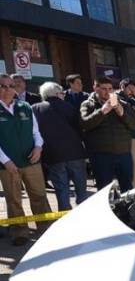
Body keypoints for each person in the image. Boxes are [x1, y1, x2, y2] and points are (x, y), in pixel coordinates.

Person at [0, 73, 52, 246]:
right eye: (3, 86)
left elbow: (36, 133)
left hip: (31, 162)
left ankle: (45, 227)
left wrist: (38, 147)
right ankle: (19, 231)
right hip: (8, 165)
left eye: (11, 86)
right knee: (14, 199)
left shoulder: (25, 107)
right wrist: (5, 161)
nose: (8, 90)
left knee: (39, 195)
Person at [32, 81, 89, 210]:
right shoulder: (69, 107)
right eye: (62, 93)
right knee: (81, 189)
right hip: (75, 153)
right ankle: (85, 213)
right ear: (57, 93)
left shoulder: (35, 108)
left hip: (53, 155)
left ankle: (64, 215)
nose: (63, 95)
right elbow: (80, 129)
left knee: (61, 189)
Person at [80, 76, 135, 192]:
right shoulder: (88, 104)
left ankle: (126, 210)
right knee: (104, 191)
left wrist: (121, 113)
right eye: (104, 89)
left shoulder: (122, 103)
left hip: (123, 154)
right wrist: (102, 112)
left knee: (128, 189)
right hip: (101, 156)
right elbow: (84, 124)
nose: (108, 92)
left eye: (110, 89)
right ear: (95, 88)